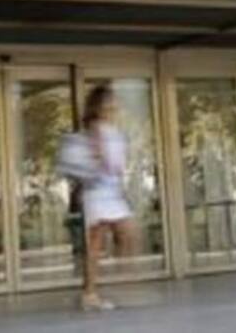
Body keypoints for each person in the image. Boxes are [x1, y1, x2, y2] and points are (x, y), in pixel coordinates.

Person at [81, 85, 137, 311]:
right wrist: (102, 159)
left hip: (111, 191)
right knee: (98, 241)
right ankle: (91, 293)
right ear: (99, 105)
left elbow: (119, 164)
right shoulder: (96, 128)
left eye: (114, 101)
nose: (114, 105)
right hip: (98, 191)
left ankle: (112, 282)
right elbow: (97, 157)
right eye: (109, 101)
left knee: (127, 233)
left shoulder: (113, 130)